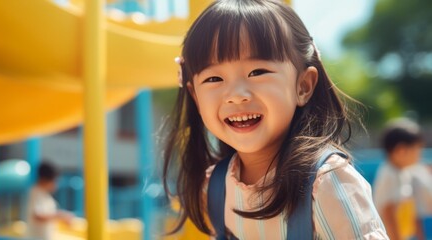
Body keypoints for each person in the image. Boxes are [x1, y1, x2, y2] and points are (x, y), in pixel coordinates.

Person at [161, 0, 388, 239]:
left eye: (257, 72)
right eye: (214, 79)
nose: (236, 95)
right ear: (195, 96)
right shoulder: (216, 187)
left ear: (303, 86)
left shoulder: (327, 184)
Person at [373, 118, 432, 240]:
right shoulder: (389, 174)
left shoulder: (402, 172)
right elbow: (389, 214)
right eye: (417, 149)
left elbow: (410, 211)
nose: (419, 155)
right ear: (401, 151)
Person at [26, 161, 73, 240]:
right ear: (44, 179)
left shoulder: (45, 195)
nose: (56, 184)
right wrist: (60, 215)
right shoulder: (35, 192)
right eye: (55, 180)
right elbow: (37, 215)